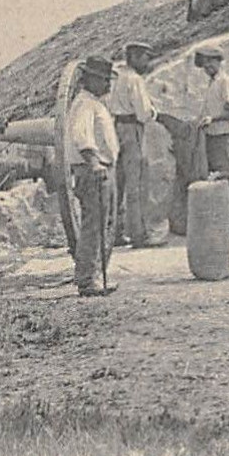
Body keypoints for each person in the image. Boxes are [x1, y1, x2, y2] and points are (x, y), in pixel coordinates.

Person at [67, 56, 120, 296]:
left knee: (104, 223)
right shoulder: (85, 105)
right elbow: (82, 137)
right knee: (94, 224)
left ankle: (95, 275)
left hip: (102, 168)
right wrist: (94, 162)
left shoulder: (95, 103)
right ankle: (87, 279)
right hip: (93, 170)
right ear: (92, 80)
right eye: (105, 81)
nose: (108, 85)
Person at [110, 42, 161, 248]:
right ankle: (139, 235)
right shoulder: (135, 80)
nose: (147, 62)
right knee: (136, 183)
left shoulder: (120, 78)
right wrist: (154, 113)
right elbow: (143, 113)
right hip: (132, 129)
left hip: (118, 128)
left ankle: (116, 232)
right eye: (145, 57)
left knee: (119, 183)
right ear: (135, 57)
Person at [195, 46, 229, 241]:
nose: (207, 66)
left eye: (210, 61)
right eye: (204, 63)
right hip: (213, 137)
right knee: (216, 180)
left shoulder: (226, 82)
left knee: (226, 179)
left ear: (218, 61)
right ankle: (225, 222)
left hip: (224, 136)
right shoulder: (212, 83)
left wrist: (212, 119)